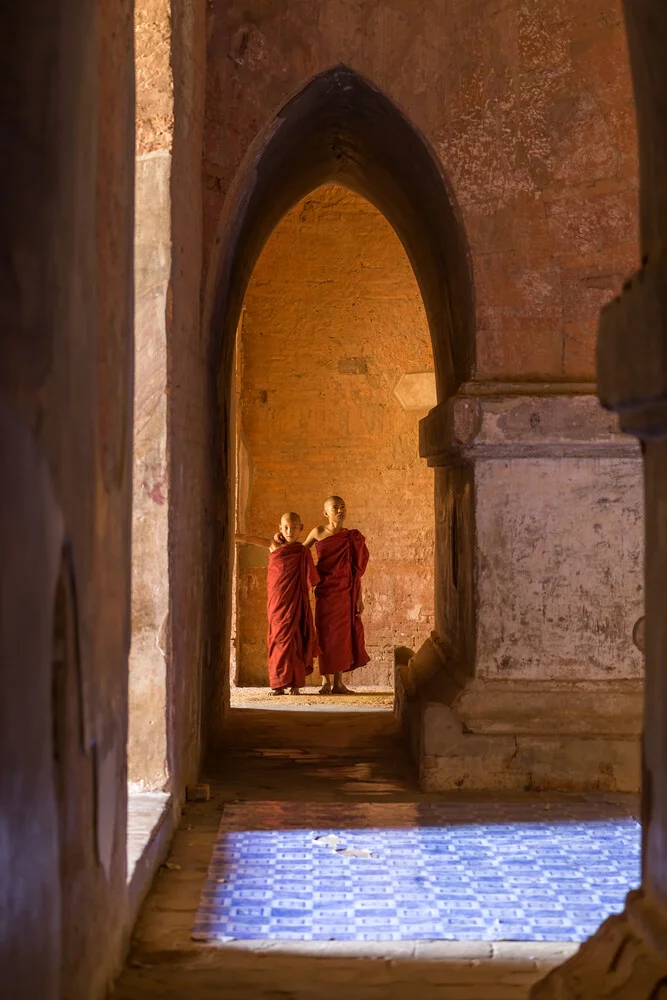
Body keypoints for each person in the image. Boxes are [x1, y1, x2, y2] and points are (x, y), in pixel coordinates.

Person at [235, 513, 318, 695]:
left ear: (301, 528)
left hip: (295, 601)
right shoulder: (274, 546)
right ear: (280, 528)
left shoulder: (302, 551)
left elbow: (311, 579)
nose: (290, 531)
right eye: (286, 527)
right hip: (277, 601)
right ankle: (279, 684)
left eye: (294, 527)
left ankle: (295, 683)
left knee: (295, 637)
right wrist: (230, 536)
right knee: (278, 638)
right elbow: (249, 539)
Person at [303, 495, 370, 695]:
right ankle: (325, 681)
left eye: (343, 507)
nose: (340, 510)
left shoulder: (352, 537)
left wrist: (359, 598)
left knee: (341, 637)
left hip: (346, 591)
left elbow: (356, 571)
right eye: (335, 507)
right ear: (326, 512)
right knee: (324, 634)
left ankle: (338, 683)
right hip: (325, 590)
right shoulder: (318, 532)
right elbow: (300, 553)